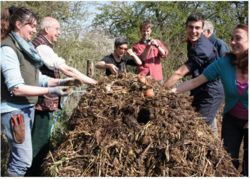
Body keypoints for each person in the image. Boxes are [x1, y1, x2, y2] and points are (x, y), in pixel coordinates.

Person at [0, 7, 78, 176]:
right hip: (14, 112)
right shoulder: (8, 49)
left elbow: (38, 77)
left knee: (20, 159)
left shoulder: (25, 48)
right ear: (19, 24)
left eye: (36, 26)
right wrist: (51, 90)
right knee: (22, 161)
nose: (35, 30)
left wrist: (62, 81)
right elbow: (17, 88)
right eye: (31, 25)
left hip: (26, 110)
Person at [170, 24, 248, 176]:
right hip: (232, 118)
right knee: (227, 162)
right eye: (232, 38)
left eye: (238, 38)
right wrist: (170, 91)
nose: (232, 42)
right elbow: (195, 81)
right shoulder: (224, 63)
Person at [27, 16, 97, 176]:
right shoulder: (42, 48)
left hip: (43, 103)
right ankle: (32, 174)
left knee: (40, 141)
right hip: (41, 104)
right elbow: (69, 70)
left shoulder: (44, 46)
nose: (60, 32)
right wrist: (95, 83)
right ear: (46, 29)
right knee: (39, 143)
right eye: (57, 29)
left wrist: (92, 81)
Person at [163, 13, 224, 135]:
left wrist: (162, 90)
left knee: (199, 128)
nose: (193, 31)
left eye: (197, 28)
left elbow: (180, 73)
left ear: (202, 29)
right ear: (186, 27)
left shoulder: (202, 48)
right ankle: (216, 148)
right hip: (198, 88)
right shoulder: (192, 42)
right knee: (204, 123)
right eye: (191, 27)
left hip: (210, 92)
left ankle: (215, 152)